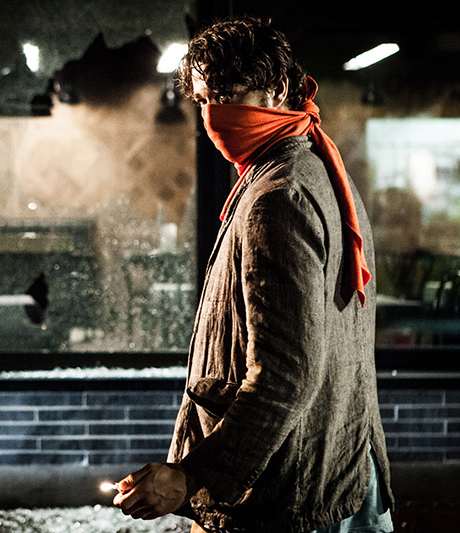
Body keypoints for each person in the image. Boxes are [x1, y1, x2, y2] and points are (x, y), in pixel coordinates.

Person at [113, 17, 394, 533]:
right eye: (203, 100)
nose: (213, 115)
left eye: (227, 95)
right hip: (332, 467)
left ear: (278, 89)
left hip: (289, 492)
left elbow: (285, 372)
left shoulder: (278, 196)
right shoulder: (316, 168)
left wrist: (193, 477)